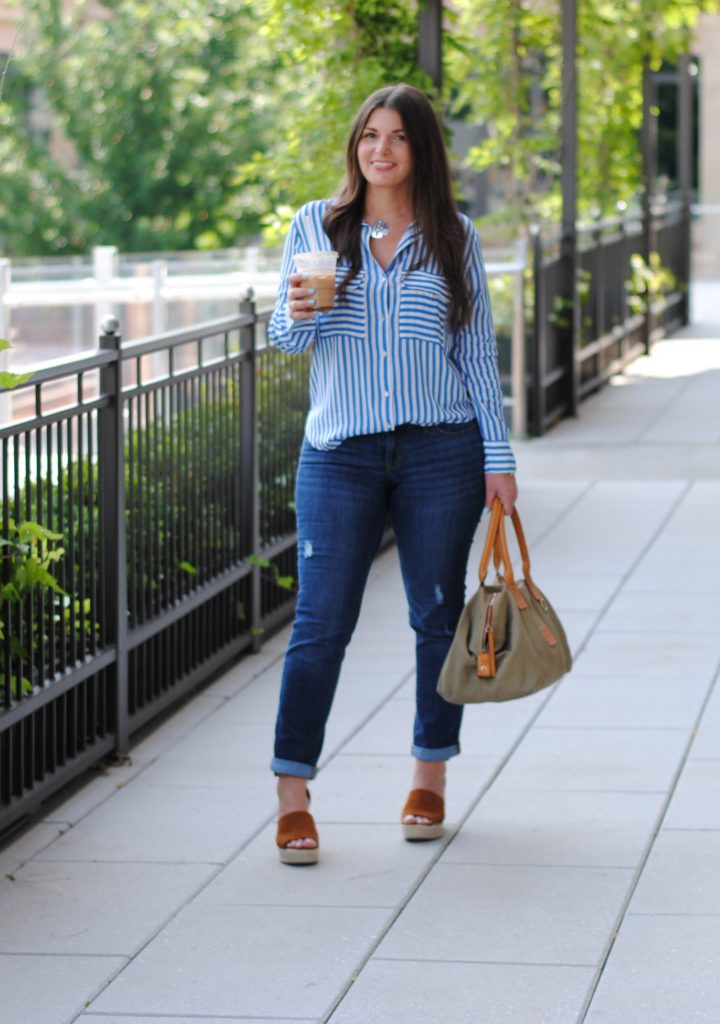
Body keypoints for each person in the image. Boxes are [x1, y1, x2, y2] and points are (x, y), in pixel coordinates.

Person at [268, 83, 518, 865]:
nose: (381, 149)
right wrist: (301, 315)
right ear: (356, 146)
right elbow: (284, 335)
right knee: (321, 623)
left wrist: (499, 458)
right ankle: (292, 792)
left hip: (440, 452)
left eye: (398, 137)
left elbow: (475, 354)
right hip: (338, 452)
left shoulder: (454, 237)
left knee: (437, 619)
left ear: (421, 152)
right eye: (370, 135)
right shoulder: (319, 226)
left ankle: (429, 774)